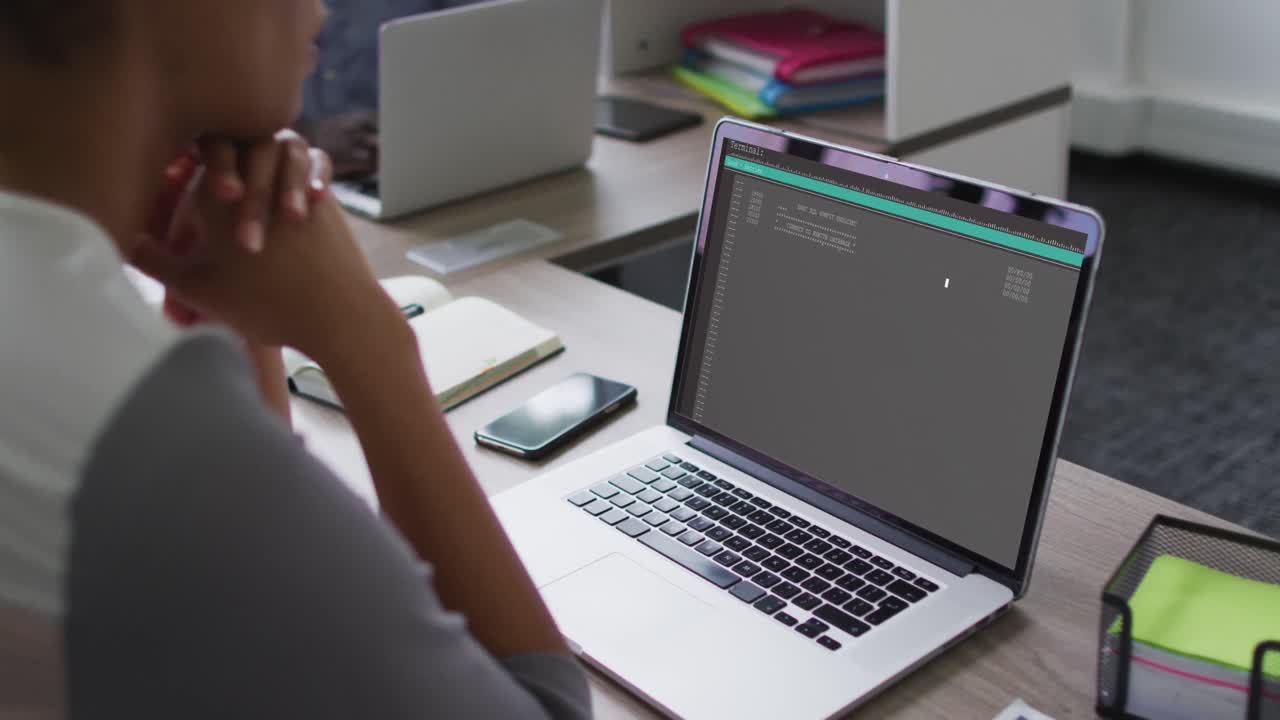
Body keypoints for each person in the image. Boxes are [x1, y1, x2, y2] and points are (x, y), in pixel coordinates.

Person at [0, 2, 590, 718]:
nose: (321, 4)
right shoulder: (135, 431)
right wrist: (368, 343)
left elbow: (251, 631)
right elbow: (541, 707)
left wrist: (234, 322)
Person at [299, 0, 476, 177]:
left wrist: (408, 129)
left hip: (412, 165)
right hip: (298, 169)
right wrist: (308, 136)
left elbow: (483, 61)